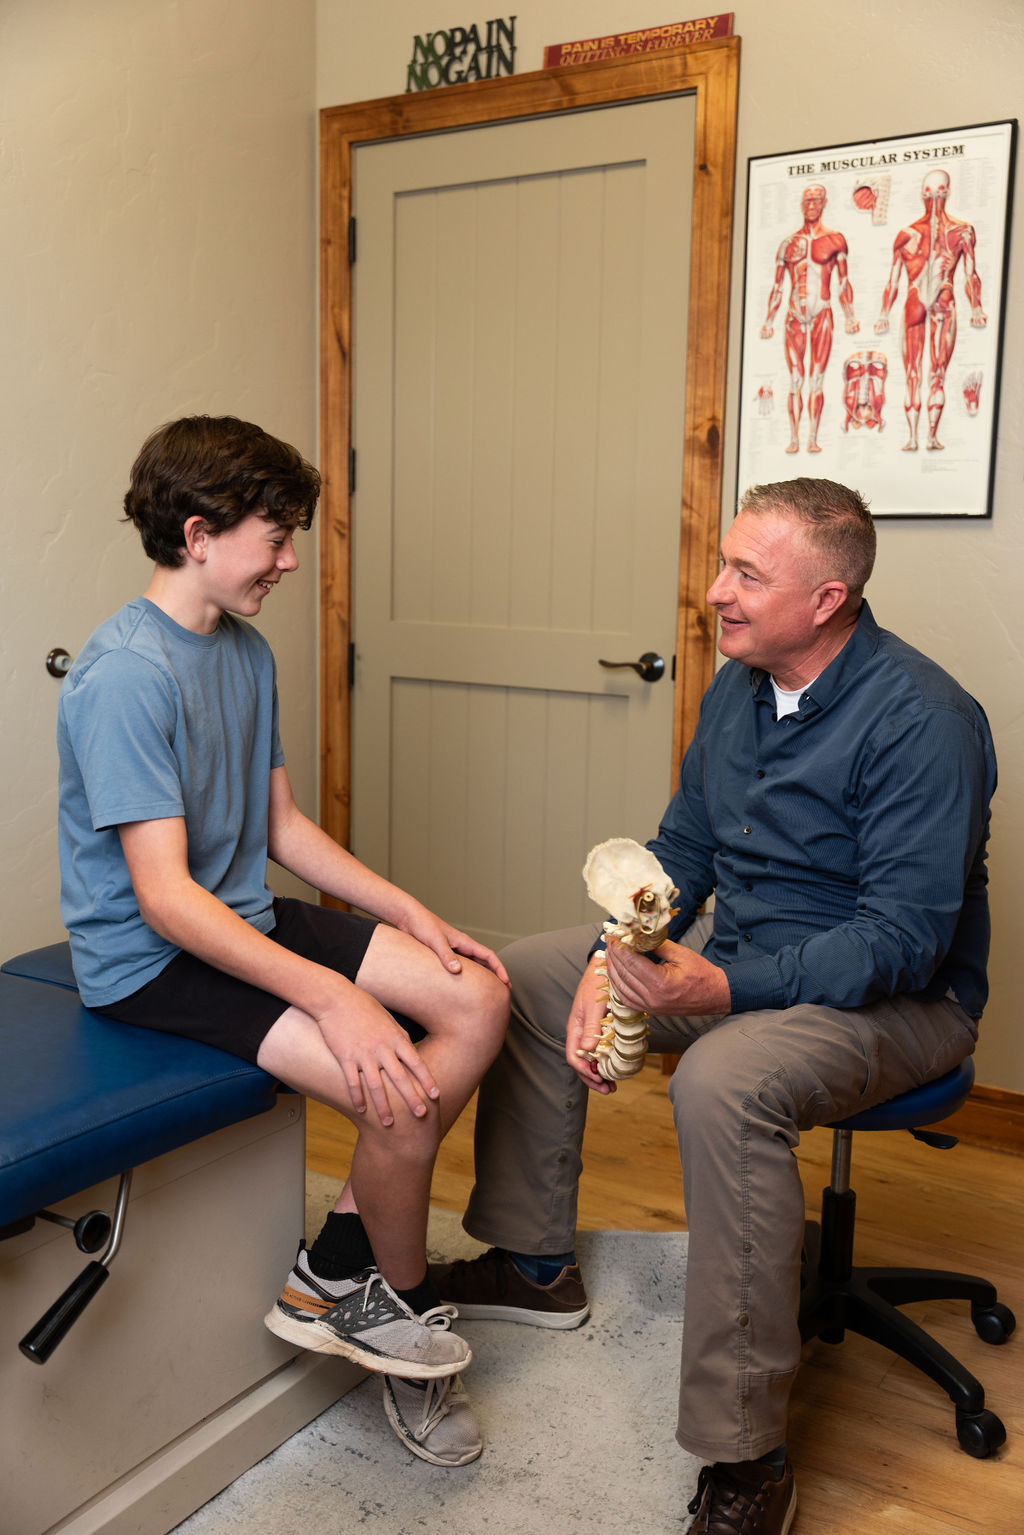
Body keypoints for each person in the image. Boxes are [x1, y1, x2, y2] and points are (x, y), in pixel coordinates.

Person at [432, 477, 995, 1531]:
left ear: (826, 600)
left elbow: (903, 940)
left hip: (900, 1002)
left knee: (726, 1078)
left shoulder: (924, 718)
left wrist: (722, 986)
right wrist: (617, 950)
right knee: (531, 966)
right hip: (745, 958)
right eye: (721, 563)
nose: (713, 591)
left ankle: (747, 1453)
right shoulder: (737, 686)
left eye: (745, 573)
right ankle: (533, 1259)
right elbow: (683, 849)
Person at [57, 415, 510, 1468]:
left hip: (239, 914)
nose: (291, 560)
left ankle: (336, 1269)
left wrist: (406, 911)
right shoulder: (124, 675)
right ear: (199, 532)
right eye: (278, 535)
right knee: (393, 1087)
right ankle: (402, 1312)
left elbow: (282, 830)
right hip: (150, 960)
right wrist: (336, 996)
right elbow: (165, 901)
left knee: (477, 995)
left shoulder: (244, 651)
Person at [874, 168, 987, 452]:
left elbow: (971, 274)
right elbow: (893, 279)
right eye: (931, 194)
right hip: (935, 297)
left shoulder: (928, 233)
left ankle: (921, 438)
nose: (935, 200)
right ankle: (920, 437)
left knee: (926, 373)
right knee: (922, 373)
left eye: (937, 194)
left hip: (929, 296)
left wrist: (977, 307)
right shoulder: (953, 232)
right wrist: (883, 314)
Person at [761, 184, 859, 454]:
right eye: (807, 200)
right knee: (796, 379)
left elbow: (843, 282)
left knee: (816, 379)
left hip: (821, 312)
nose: (812, 204)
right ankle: (794, 438)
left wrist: (850, 316)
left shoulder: (835, 239)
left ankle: (812, 438)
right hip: (794, 314)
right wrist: (769, 320)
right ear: (802, 204)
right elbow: (778, 286)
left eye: (816, 199)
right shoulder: (788, 244)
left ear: (824, 202)